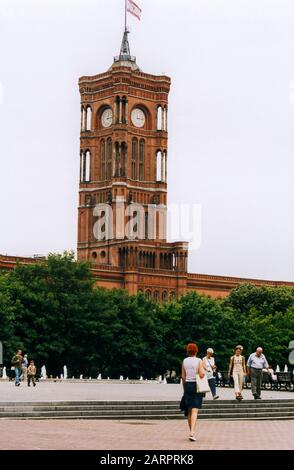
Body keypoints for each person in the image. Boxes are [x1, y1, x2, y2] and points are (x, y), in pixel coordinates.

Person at [181, 343, 206, 442]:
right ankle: (192, 432)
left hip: (187, 385)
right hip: (196, 385)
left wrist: (184, 388)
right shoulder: (199, 360)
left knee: (189, 411)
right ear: (196, 351)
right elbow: (202, 374)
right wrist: (203, 369)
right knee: (195, 410)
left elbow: (183, 376)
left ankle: (191, 431)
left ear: (188, 351)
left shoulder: (184, 361)